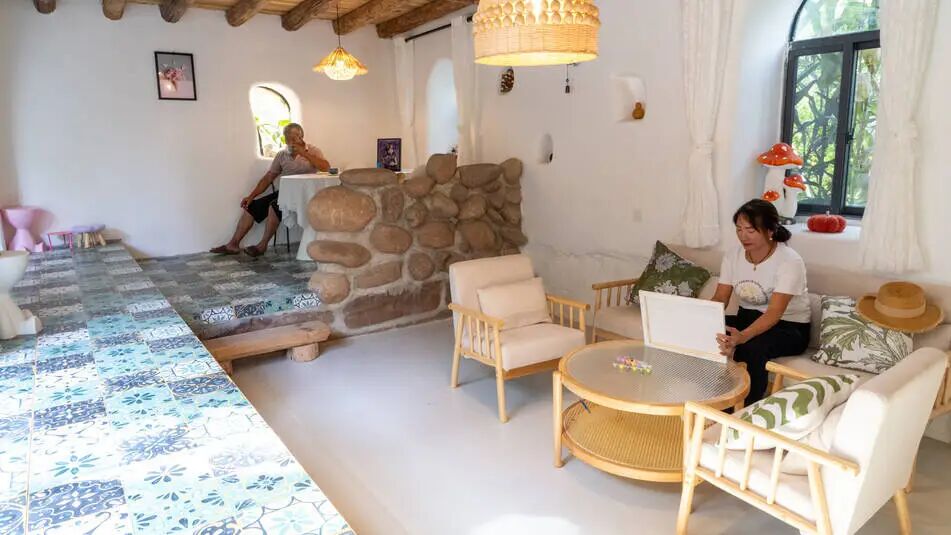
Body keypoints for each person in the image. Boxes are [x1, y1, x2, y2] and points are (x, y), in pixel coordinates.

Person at [711, 199, 811, 406]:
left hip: (788, 326)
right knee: (711, 334)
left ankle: (745, 408)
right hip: (747, 317)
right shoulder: (732, 256)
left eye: (750, 230)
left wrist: (742, 337)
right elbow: (720, 298)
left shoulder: (789, 261)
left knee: (751, 348)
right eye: (739, 229)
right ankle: (710, 394)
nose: (743, 236)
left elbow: (774, 312)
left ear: (770, 230)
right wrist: (702, 319)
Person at [211, 123, 330, 257]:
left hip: (306, 194)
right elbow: (268, 178)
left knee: (274, 205)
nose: (289, 141)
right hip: (285, 193)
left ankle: (262, 246)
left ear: (301, 137)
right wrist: (251, 196)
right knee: (251, 206)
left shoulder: (313, 150)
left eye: (293, 138)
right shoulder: (282, 155)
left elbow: (326, 167)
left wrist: (303, 153)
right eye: (287, 138)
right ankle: (233, 244)